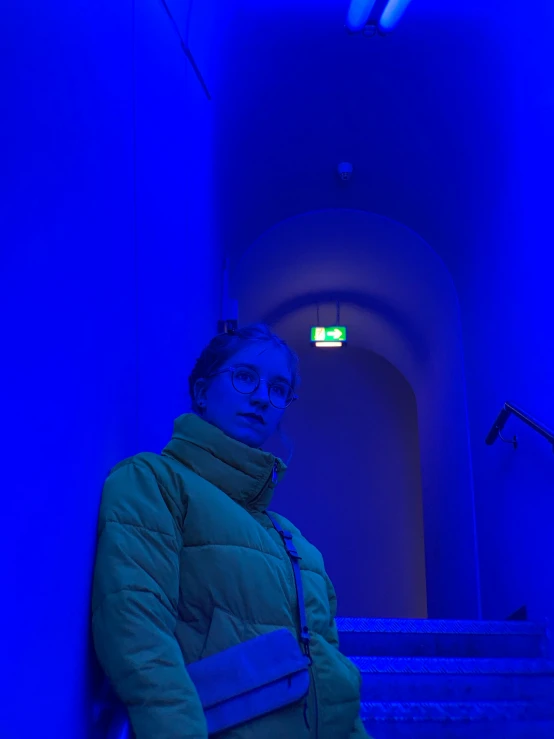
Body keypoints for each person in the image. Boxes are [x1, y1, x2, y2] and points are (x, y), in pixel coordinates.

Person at [92, 323, 370, 739]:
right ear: (202, 392)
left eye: (279, 389)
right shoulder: (153, 482)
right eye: (245, 377)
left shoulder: (301, 548)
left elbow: (335, 686)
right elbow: (139, 636)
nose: (261, 397)